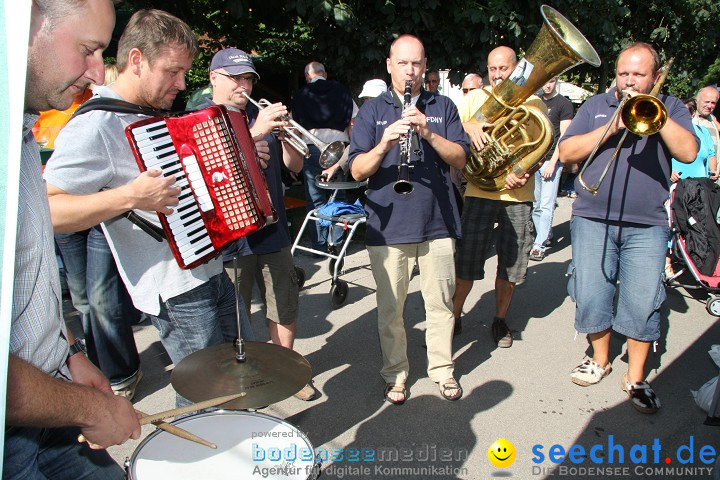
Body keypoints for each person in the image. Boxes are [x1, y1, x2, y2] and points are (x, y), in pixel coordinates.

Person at [43, 9, 252, 407]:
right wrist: (130, 198)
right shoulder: (95, 126)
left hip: (210, 269)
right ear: (136, 60)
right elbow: (47, 210)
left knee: (240, 375)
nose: (181, 82)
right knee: (205, 394)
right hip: (174, 289)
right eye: (172, 71)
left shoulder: (154, 113)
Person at [6, 1, 142, 478]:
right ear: (24, 25)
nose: (96, 72)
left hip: (48, 400)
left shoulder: (21, 128)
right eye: (88, 49)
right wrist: (90, 409)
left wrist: (68, 352)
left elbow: (26, 285)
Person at [559, 42, 698, 414]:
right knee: (591, 293)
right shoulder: (595, 106)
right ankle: (600, 359)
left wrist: (657, 115)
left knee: (642, 300)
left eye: (638, 74)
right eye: (623, 73)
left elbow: (687, 152)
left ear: (654, 77)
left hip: (646, 223)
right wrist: (612, 125)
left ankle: (636, 377)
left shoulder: (671, 107)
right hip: (592, 217)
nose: (629, 81)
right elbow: (567, 153)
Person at [349, 34, 469, 404]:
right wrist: (385, 143)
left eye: (416, 63)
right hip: (388, 229)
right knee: (391, 313)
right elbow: (356, 170)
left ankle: (442, 370)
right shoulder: (371, 111)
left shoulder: (443, 106)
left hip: (437, 223)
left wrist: (427, 132)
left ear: (425, 66)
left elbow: (460, 159)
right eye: (402, 63)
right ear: (389, 65)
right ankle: (396, 374)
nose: (410, 70)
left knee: (440, 306)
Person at [201, 47, 316, 401]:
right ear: (214, 78)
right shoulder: (202, 116)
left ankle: (285, 370)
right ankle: (243, 381)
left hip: (272, 230)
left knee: (284, 302)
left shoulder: (257, 112)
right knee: (234, 315)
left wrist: (285, 137)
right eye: (235, 77)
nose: (243, 84)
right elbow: (208, 171)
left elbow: (293, 167)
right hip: (231, 237)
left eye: (248, 77)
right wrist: (255, 133)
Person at [451, 46, 542, 346]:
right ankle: (455, 316)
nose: (498, 74)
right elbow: (454, 130)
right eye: (492, 68)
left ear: (516, 68)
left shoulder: (533, 101)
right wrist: (470, 125)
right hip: (480, 191)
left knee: (510, 265)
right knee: (466, 261)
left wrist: (526, 168)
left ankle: (500, 320)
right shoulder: (476, 97)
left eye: (504, 68)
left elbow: (541, 144)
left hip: (517, 193)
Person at [291, 61, 356, 253]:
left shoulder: (300, 95)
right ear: (324, 74)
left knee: (315, 198)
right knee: (338, 196)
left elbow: (295, 130)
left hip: (311, 149)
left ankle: (319, 245)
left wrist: (294, 159)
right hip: (340, 148)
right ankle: (337, 244)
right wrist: (353, 153)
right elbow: (352, 123)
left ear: (307, 77)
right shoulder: (342, 91)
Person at [530, 77, 574, 261]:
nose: (547, 85)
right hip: (535, 160)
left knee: (546, 205)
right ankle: (545, 234)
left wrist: (554, 162)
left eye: (552, 81)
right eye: (545, 81)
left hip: (551, 161)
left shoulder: (564, 104)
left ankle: (538, 246)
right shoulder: (535, 101)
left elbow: (564, 137)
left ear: (556, 82)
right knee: (535, 204)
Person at [693, 86, 720, 169]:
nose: (709, 106)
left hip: (715, 174)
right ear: (696, 101)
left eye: (713, 103)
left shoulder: (713, 120)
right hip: (697, 176)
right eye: (706, 102)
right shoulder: (689, 119)